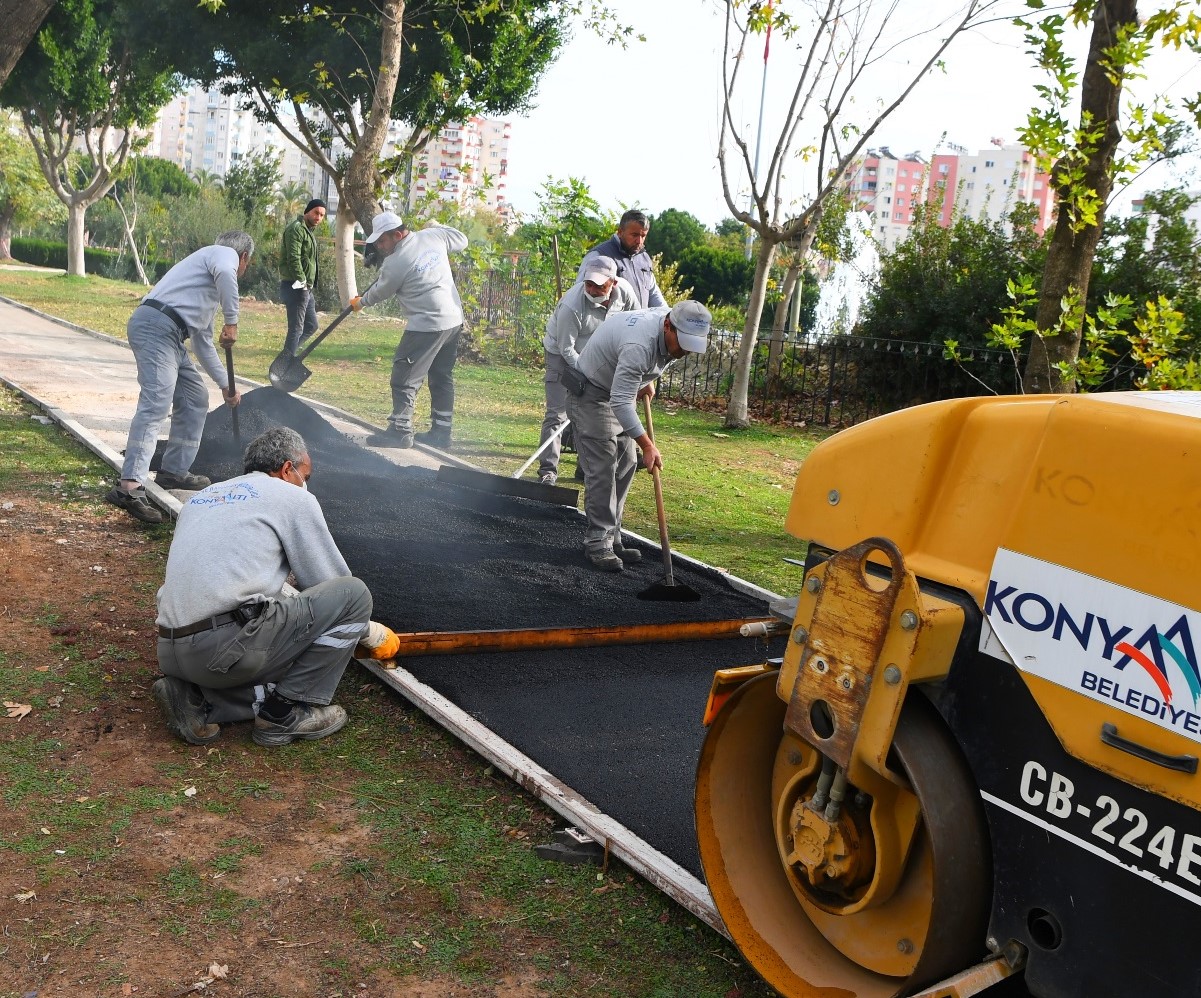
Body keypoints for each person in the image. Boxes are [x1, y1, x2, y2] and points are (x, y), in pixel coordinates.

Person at [151, 426, 401, 747]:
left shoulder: (203, 497)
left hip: (171, 649)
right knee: (353, 596)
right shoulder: (292, 497)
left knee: (267, 648)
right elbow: (332, 584)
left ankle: (193, 697)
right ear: (287, 469)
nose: (306, 484)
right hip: (220, 651)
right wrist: (370, 632)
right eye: (305, 475)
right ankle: (283, 714)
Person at [106, 231, 252, 525]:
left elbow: (202, 344)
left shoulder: (205, 286)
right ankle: (129, 488)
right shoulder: (223, 254)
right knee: (156, 403)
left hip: (172, 334)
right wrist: (232, 322)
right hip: (157, 327)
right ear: (244, 258)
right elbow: (227, 271)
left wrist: (226, 385)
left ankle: (174, 471)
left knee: (195, 398)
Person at [567, 300, 712, 571]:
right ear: (668, 325)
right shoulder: (639, 346)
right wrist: (646, 444)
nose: (683, 351)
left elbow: (645, 366)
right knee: (603, 469)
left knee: (626, 465)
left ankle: (613, 536)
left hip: (615, 389)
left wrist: (645, 382)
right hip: (592, 395)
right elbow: (621, 401)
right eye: (682, 342)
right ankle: (598, 542)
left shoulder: (666, 324)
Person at [351, 211, 469, 450]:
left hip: (427, 325)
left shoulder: (397, 262)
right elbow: (461, 240)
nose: (381, 247)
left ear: (397, 234)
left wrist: (360, 302)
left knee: (404, 377)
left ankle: (400, 431)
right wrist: (439, 226)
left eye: (382, 241)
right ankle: (441, 433)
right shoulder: (433, 236)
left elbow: (382, 291)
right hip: (453, 320)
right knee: (441, 377)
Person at [538, 256, 639, 486]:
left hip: (600, 357)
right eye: (589, 284)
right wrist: (591, 374)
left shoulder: (625, 293)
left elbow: (636, 323)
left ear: (613, 282)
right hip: (562, 356)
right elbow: (566, 348)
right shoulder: (572, 305)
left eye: (599, 285)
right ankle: (548, 471)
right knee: (558, 413)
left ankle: (584, 469)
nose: (592, 290)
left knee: (588, 414)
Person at [576, 209, 666, 310]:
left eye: (643, 236)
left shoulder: (644, 258)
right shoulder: (598, 255)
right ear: (620, 232)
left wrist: (667, 315)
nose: (639, 241)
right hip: (608, 323)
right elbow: (579, 292)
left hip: (639, 322)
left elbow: (653, 293)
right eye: (634, 235)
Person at [279, 198, 327, 356]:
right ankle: (284, 365)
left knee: (311, 325)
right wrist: (303, 282)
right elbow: (293, 259)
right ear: (307, 211)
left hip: (306, 287)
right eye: (316, 213)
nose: (318, 218)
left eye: (321, 215)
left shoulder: (308, 231)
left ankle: (286, 357)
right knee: (296, 328)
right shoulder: (297, 229)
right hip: (296, 285)